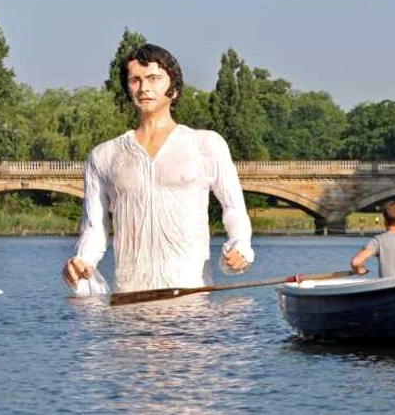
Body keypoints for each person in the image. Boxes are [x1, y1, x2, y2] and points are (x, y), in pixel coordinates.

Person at [62, 43, 254, 293]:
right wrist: (82, 260)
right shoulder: (103, 155)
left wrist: (240, 247)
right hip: (130, 304)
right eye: (135, 80)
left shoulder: (206, 144)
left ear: (173, 89)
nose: (144, 88)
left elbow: (234, 210)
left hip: (190, 304)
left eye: (154, 78)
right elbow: (95, 227)